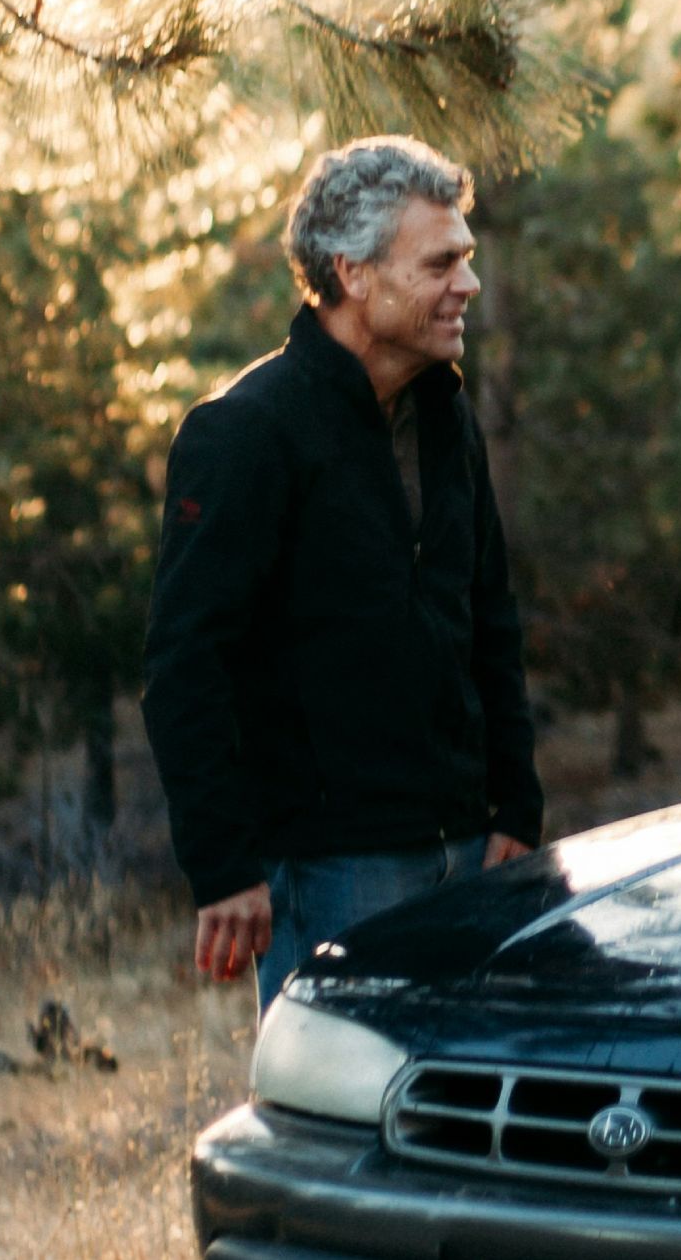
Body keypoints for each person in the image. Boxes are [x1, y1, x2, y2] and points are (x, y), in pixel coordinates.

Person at [141, 136, 543, 1012]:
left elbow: (490, 621)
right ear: (352, 273)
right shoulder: (244, 433)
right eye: (441, 263)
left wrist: (516, 808)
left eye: (466, 260)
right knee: (345, 1128)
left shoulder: (447, 416)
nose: (467, 285)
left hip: (471, 854)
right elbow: (184, 667)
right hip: (329, 872)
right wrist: (224, 867)